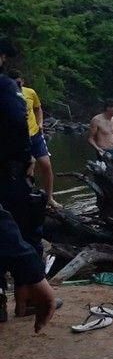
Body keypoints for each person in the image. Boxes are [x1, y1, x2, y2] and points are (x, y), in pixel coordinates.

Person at [0, 38, 57, 332]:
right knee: (24, 230)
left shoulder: (23, 93)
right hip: (9, 174)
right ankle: (31, 298)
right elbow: (15, 122)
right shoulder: (5, 89)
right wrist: (25, 162)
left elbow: (33, 115)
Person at [8, 69, 60, 208]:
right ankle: (26, 198)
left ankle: (50, 197)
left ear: (22, 81)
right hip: (19, 138)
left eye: (18, 83)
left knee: (46, 165)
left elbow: (38, 108)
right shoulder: (6, 96)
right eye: (13, 83)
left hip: (35, 134)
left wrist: (40, 123)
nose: (16, 85)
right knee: (26, 168)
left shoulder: (30, 92)